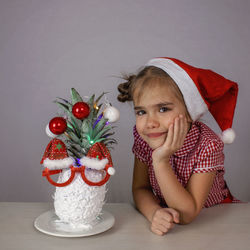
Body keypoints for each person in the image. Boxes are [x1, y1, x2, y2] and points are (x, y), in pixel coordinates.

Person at [117, 57, 239, 236]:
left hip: (213, 222)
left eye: (163, 109)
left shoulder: (207, 145)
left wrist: (161, 161)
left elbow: (186, 214)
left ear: (189, 112)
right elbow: (140, 188)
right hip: (170, 220)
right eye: (141, 112)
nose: (150, 122)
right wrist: (154, 213)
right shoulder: (144, 138)